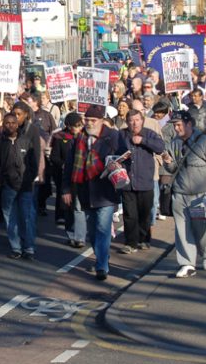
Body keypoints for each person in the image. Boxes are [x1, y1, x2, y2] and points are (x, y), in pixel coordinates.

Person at [62, 105, 127, 281]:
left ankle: (101, 266)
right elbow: (69, 165)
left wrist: (118, 165)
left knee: (103, 228)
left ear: (101, 121)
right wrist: (66, 188)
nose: (89, 123)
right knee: (91, 231)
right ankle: (102, 257)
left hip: (105, 190)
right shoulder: (79, 138)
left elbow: (127, 157)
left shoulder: (113, 136)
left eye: (93, 120)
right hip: (84, 190)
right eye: (87, 120)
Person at [162, 111, 206, 278]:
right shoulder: (174, 144)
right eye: (174, 125)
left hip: (200, 196)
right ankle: (187, 263)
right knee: (182, 230)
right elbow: (173, 169)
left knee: (201, 230)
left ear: (189, 124)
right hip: (180, 194)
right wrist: (168, 163)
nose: (176, 128)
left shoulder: (203, 141)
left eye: (179, 124)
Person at [0, 113, 40, 259]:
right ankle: (16, 247)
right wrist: (0, 182)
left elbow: (33, 162)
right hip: (8, 187)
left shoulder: (25, 141)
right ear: (3, 124)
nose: (10, 125)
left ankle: (29, 247)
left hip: (25, 186)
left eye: (13, 122)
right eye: (7, 123)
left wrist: (30, 178)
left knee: (27, 217)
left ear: (17, 124)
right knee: (10, 218)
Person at [118, 110, 165, 254]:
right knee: (130, 214)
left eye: (137, 120)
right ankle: (130, 242)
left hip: (145, 181)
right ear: (127, 122)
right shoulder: (121, 134)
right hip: (127, 181)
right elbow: (113, 151)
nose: (134, 123)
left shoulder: (149, 133)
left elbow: (160, 147)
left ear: (142, 120)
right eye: (131, 120)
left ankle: (144, 239)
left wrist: (143, 141)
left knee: (145, 213)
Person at [50, 112, 86, 247]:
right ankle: (71, 233)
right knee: (68, 206)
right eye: (74, 126)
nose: (76, 129)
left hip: (80, 177)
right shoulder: (60, 137)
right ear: (68, 126)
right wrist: (63, 164)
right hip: (65, 177)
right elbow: (54, 157)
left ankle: (79, 237)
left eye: (79, 126)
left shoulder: (85, 137)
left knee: (78, 207)